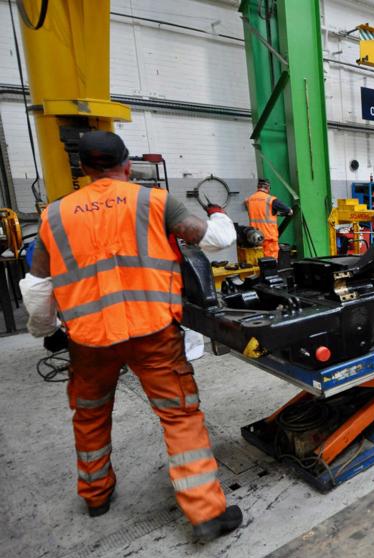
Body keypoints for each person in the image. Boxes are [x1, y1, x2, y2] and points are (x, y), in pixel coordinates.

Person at [19, 131, 242, 542]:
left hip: (87, 339)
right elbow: (211, 238)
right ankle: (206, 513)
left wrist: (46, 331)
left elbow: (36, 287)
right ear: (127, 165)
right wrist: (221, 216)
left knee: (89, 416)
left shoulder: (54, 215)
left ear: (83, 170)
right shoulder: (154, 201)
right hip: (153, 333)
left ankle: (96, 495)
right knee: (179, 417)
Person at [245, 178, 293, 259]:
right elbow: (288, 211)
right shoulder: (270, 199)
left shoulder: (250, 199)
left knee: (258, 263)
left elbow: (259, 213)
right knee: (270, 265)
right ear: (267, 187)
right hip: (269, 239)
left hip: (255, 238)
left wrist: (274, 213)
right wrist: (288, 211)